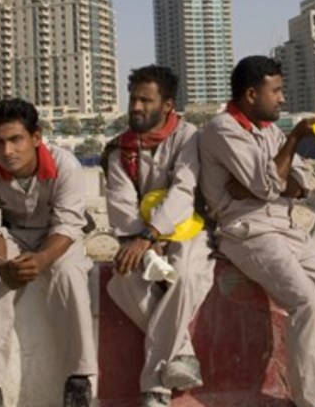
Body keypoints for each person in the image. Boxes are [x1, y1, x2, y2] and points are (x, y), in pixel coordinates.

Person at [198, 55, 315, 407]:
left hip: (285, 226)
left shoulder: (270, 130)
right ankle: (310, 400)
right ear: (252, 94)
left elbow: (300, 184)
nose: (282, 98)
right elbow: (267, 184)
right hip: (249, 231)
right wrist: (294, 142)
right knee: (306, 303)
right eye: (277, 91)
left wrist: (272, 180)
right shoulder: (222, 129)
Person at [0, 98, 96, 407]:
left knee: (69, 275)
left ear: (36, 138)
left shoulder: (65, 166)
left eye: (15, 140)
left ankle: (79, 379)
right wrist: (0, 263)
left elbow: (68, 224)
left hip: (57, 237)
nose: (7, 151)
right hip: (11, 236)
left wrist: (42, 260)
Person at [103, 65, 215, 407]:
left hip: (189, 230)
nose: (135, 107)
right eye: (133, 99)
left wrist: (155, 234)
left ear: (167, 105)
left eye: (145, 100)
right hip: (139, 233)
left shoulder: (188, 137)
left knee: (183, 276)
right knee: (123, 281)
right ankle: (182, 353)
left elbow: (184, 190)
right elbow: (121, 207)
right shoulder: (119, 150)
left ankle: (154, 387)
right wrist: (144, 240)